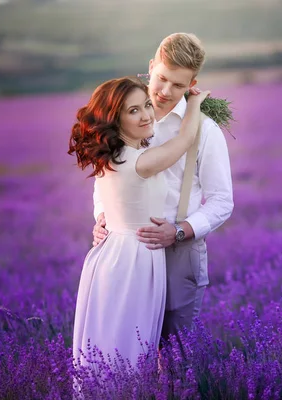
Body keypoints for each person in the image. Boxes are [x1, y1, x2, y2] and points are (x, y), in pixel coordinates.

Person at [92, 33, 234, 345]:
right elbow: (108, 174)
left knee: (173, 356)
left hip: (178, 253)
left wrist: (179, 230)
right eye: (162, 79)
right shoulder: (123, 116)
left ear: (193, 83)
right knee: (121, 348)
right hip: (125, 252)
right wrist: (103, 217)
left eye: (179, 85)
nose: (166, 92)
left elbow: (223, 201)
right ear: (152, 66)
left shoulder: (205, 130)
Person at [69, 76, 210, 368]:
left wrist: (102, 218)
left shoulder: (112, 157)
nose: (146, 115)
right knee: (128, 347)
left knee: (111, 343)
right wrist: (194, 102)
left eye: (146, 105)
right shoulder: (139, 162)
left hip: (112, 255)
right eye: (133, 111)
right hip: (133, 260)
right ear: (115, 119)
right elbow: (184, 141)